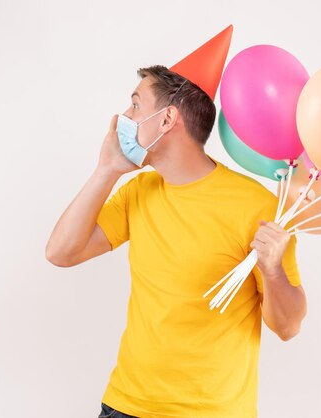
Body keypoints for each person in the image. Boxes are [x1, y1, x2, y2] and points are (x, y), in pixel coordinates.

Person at [45, 25, 307, 418]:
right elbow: (60, 253)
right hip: (125, 406)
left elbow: (288, 327)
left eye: (135, 105)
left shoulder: (256, 206)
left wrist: (273, 272)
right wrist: (107, 169)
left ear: (167, 120)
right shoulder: (138, 191)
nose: (123, 117)